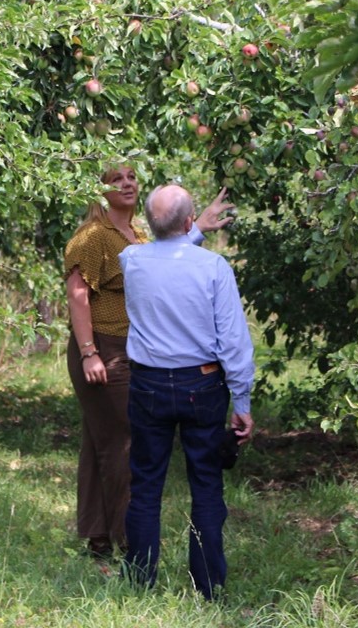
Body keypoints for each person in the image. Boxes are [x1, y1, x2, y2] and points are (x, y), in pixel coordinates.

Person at [63, 166, 234, 561]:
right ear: (100, 188)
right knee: (123, 445)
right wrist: (90, 352)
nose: (125, 184)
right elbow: (77, 296)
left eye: (131, 177)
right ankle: (130, 547)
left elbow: (164, 261)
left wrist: (199, 228)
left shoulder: (137, 234)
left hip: (129, 349)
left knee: (100, 443)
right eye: (115, 178)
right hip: (103, 348)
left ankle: (98, 540)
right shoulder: (92, 237)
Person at [118, 183, 254, 601]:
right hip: (202, 384)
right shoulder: (213, 267)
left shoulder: (131, 261)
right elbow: (233, 340)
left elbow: (164, 250)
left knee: (145, 486)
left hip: (149, 384)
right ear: (191, 221)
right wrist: (242, 400)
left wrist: (189, 231)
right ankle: (207, 586)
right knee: (207, 484)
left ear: (148, 223)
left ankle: (140, 583)